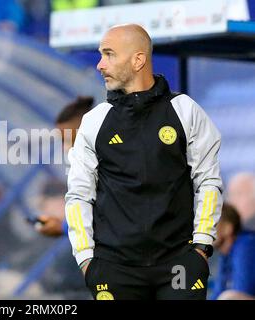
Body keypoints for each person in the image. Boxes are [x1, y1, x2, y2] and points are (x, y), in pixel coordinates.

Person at [65, 24, 223, 300]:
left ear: (138, 60)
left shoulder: (185, 111)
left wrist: (201, 246)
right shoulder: (94, 122)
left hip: (179, 263)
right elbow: (78, 196)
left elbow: (208, 182)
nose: (100, 64)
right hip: (115, 269)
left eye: (109, 54)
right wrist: (86, 260)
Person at [37, 96, 94, 237]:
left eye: (67, 139)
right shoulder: (88, 169)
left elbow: (105, 212)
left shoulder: (110, 164)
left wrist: (62, 227)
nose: (64, 148)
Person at [212, 202, 255, 300]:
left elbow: (243, 290)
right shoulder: (225, 254)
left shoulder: (246, 245)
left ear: (228, 228)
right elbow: (217, 293)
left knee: (228, 298)